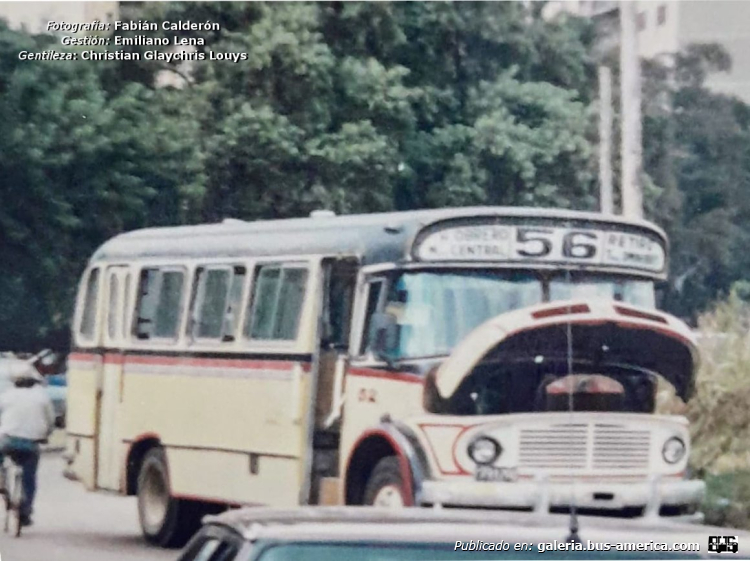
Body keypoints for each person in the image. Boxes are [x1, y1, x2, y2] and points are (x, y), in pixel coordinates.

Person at [0, 363, 55, 526]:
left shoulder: (6, 396)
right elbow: (50, 422)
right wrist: (45, 435)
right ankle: (26, 510)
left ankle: (2, 481)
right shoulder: (42, 397)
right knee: (29, 477)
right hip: (31, 444)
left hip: (8, 441)